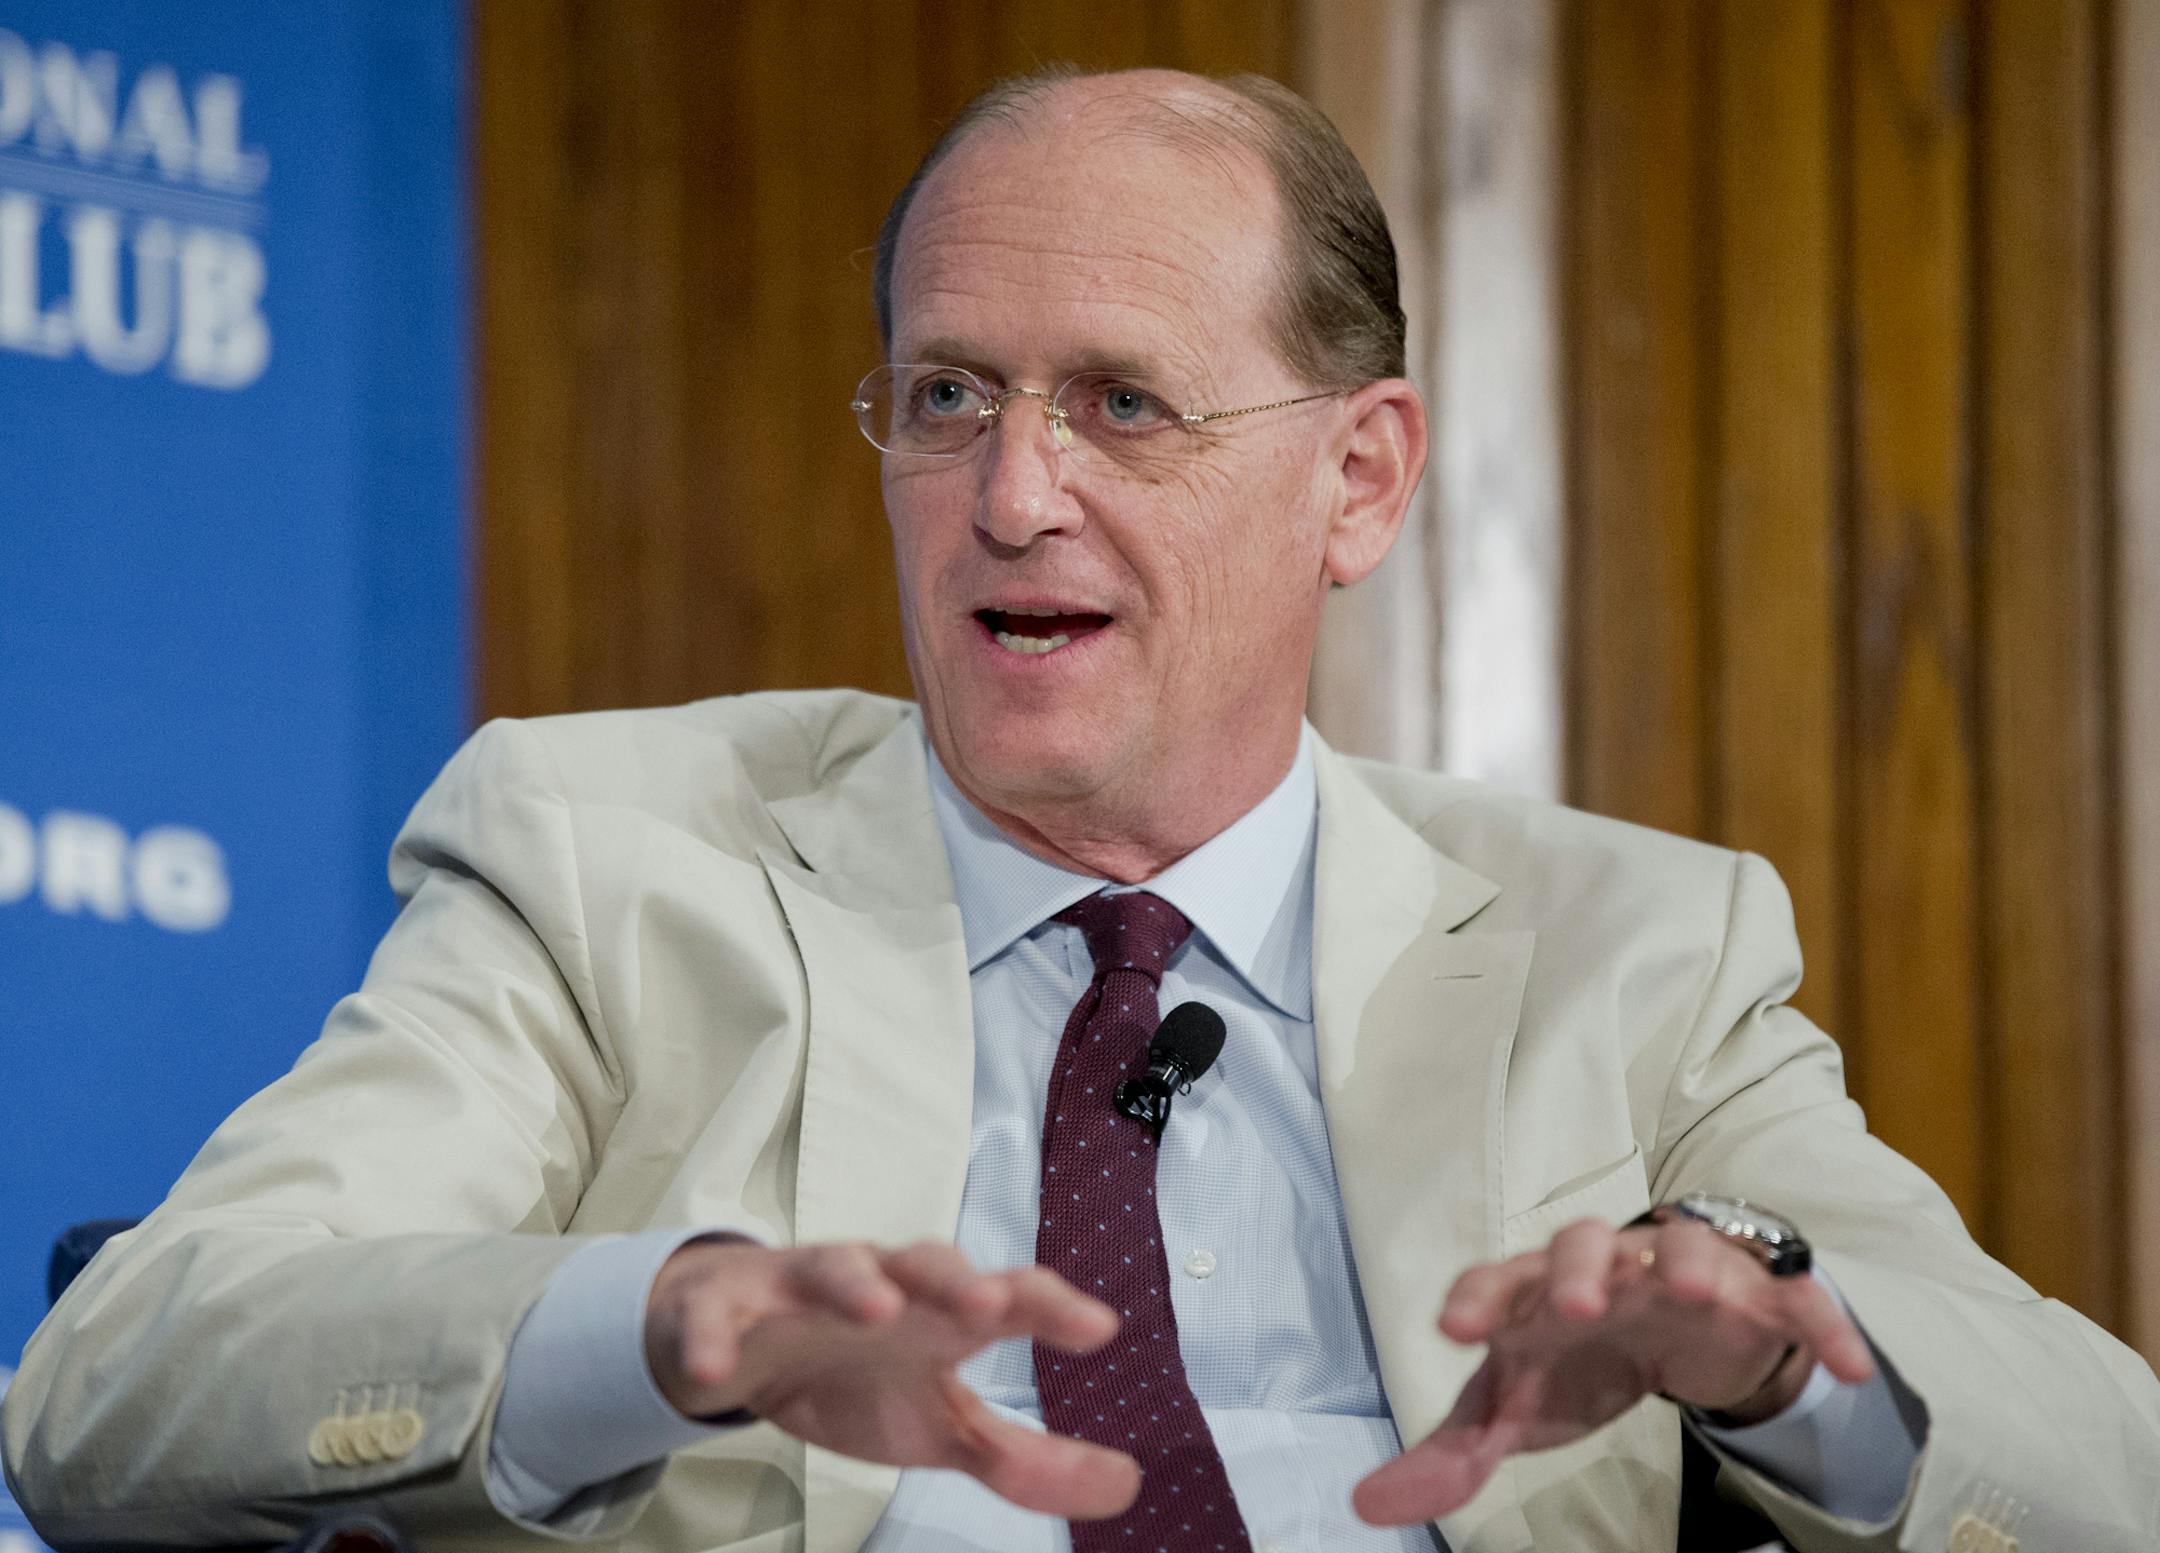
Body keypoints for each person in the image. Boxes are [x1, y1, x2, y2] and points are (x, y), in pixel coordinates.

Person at [6, 66, 2158, 1553]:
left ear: (1364, 475)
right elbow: (114, 1391)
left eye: (1122, 404)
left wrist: (1785, 1369)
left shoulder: (1634, 955)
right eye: (951, 396)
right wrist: (673, 1320)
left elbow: (2105, 1468)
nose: (1013, 499)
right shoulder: (606, 860)